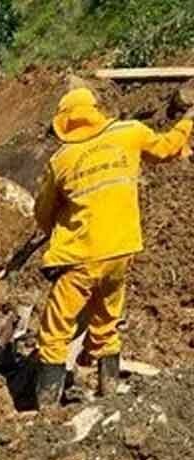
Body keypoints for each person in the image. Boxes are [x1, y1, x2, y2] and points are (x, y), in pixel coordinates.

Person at [31, 87, 192, 409]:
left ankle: (45, 409)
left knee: (55, 330)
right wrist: (188, 121)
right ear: (95, 110)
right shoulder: (129, 134)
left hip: (80, 258)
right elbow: (167, 148)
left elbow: (43, 213)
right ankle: (110, 396)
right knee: (106, 320)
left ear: (64, 123)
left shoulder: (61, 160)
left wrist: (59, 231)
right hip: (121, 250)